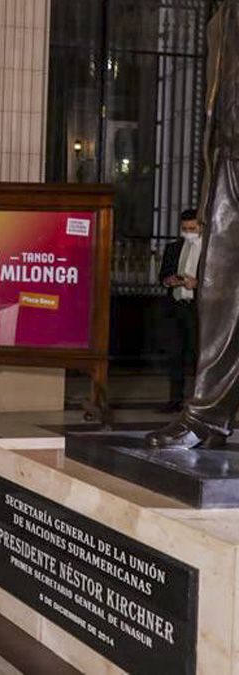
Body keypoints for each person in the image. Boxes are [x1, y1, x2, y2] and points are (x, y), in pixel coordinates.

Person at [148, 1, 239, 449]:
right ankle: (206, 416)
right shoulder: (221, 21)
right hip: (229, 164)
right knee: (217, 291)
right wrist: (208, 194)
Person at [158, 210, 202, 413]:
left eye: (192, 229)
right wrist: (169, 280)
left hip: (198, 309)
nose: (188, 232)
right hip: (176, 306)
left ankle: (200, 401)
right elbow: (163, 276)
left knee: (197, 355)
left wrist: (198, 284)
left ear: (201, 227)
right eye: (184, 229)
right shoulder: (173, 248)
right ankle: (174, 400)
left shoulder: (210, 249)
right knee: (174, 355)